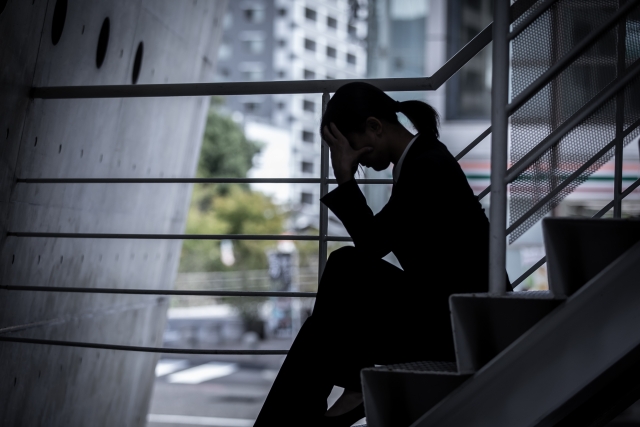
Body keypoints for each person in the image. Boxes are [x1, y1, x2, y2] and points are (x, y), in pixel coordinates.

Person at [254, 82, 509, 427]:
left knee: (344, 270)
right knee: (328, 314)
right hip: (445, 312)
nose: (354, 161)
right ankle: (332, 393)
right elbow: (380, 243)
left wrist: (345, 180)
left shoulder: (426, 165)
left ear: (375, 126)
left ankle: (308, 408)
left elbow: (373, 244)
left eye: (353, 149)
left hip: (460, 324)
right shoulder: (420, 160)